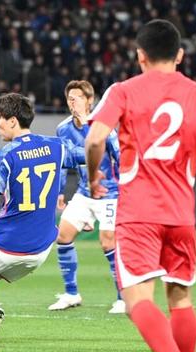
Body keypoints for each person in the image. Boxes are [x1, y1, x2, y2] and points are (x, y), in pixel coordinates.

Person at [85, 19, 196, 352]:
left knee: (137, 298)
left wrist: (93, 177)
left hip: (138, 213)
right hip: (180, 215)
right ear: (180, 55)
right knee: (181, 297)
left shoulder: (122, 91)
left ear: (140, 55)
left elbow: (95, 138)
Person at [0, 93, 88, 349]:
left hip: (8, 242)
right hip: (41, 249)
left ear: (12, 121)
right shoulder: (57, 146)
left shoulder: (5, 155)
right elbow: (88, 153)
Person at [49, 80, 123, 314]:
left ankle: (123, 298)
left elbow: (119, 157)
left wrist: (125, 190)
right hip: (83, 191)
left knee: (108, 241)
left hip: (109, 192)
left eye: (77, 97)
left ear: (89, 101)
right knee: (63, 235)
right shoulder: (63, 128)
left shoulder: (104, 126)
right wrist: (60, 191)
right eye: (69, 98)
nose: (72, 101)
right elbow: (62, 162)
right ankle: (72, 293)